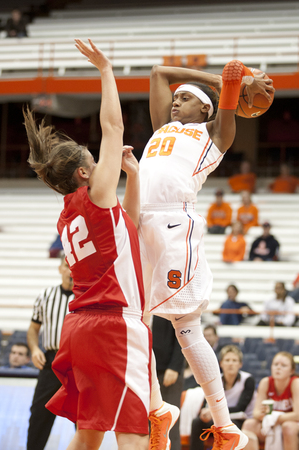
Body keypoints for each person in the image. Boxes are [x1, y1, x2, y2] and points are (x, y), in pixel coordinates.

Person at [138, 57, 274, 450]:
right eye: (175, 98)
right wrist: (208, 78)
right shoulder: (163, 128)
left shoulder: (215, 135)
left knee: (184, 326)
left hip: (174, 227)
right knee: (134, 319)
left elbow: (230, 88)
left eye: (185, 99)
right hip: (139, 221)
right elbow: (158, 73)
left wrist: (224, 84)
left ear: (206, 109)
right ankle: (157, 408)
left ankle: (224, 425)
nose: (176, 101)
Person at [23, 38, 151, 450]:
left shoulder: (68, 213)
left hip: (80, 329)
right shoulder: (95, 195)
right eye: (96, 164)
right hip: (113, 323)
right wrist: (106, 71)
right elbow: (113, 127)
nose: (103, 166)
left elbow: (126, 228)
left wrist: (133, 178)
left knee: (89, 434)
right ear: (83, 172)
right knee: (132, 432)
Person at [26, 254, 74, 450]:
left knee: (83, 417)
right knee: (39, 413)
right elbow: (33, 329)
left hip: (78, 362)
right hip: (52, 360)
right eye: (66, 266)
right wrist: (35, 348)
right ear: (60, 269)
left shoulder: (88, 297)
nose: (71, 271)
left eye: (74, 267)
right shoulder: (45, 295)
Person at [190, 345, 256, 450]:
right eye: (227, 360)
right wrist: (205, 412)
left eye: (234, 360)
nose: (231, 363)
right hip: (218, 418)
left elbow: (240, 408)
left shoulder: (248, 379)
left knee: (228, 426)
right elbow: (206, 403)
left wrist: (213, 412)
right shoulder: (215, 379)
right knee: (198, 422)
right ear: (221, 364)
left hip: (239, 419)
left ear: (240, 364)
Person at [241, 351, 299, 450]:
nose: (278, 368)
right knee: (248, 424)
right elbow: (256, 413)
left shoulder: (295, 383)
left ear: (291, 370)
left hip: (291, 423)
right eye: (275, 364)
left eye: (283, 365)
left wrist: (274, 418)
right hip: (271, 422)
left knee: (288, 427)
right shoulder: (265, 382)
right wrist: (264, 415)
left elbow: (297, 415)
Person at [152, 315, 185, 450]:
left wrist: (175, 366)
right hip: (143, 369)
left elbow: (182, 333)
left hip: (168, 370)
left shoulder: (166, 298)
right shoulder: (138, 299)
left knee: (169, 423)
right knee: (147, 423)